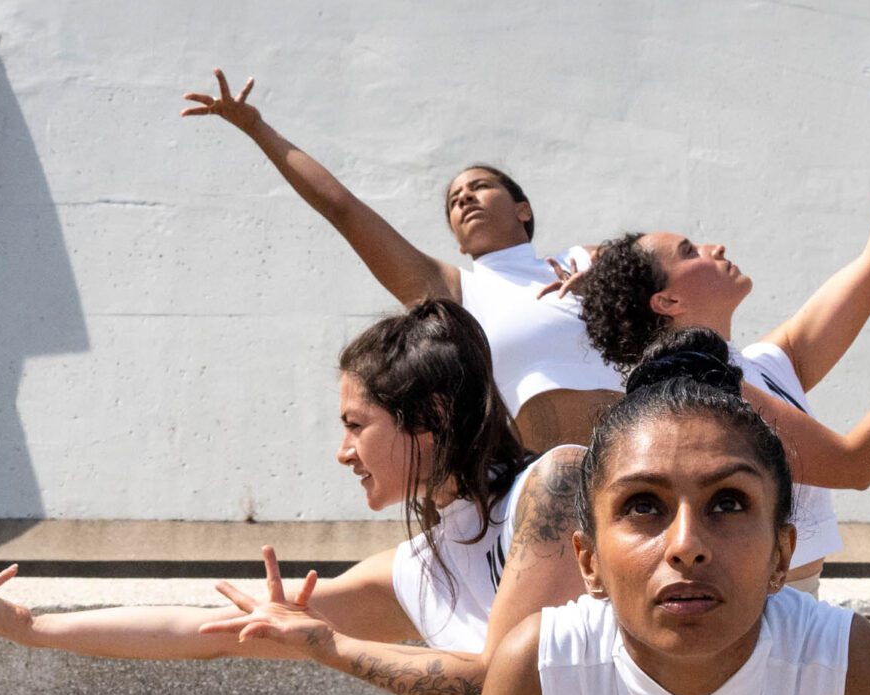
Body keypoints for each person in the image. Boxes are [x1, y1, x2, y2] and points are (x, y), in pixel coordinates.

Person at [0, 299, 585, 695]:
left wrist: (328, 647)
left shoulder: (552, 483)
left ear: (431, 419)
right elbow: (211, 633)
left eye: (355, 425)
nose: (342, 452)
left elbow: (508, 687)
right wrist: (34, 629)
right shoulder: (418, 567)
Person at [564, 38, 870, 595]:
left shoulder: (763, 362)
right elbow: (855, 465)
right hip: (755, 623)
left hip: (788, 608)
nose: (716, 248)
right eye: (691, 251)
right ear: (667, 302)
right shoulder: (701, 389)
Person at [474, 328, 870, 695]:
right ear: (589, 561)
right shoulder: (541, 673)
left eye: (728, 503)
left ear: (782, 556)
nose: (686, 545)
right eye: (643, 505)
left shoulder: (849, 671)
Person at [179, 75, 621, 452]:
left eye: (480, 187)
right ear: (458, 243)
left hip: (650, 463)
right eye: (454, 200)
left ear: (522, 209)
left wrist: (613, 284)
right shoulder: (458, 292)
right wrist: (257, 128)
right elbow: (343, 209)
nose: (464, 196)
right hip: (558, 487)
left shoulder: (588, 260)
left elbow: (671, 275)